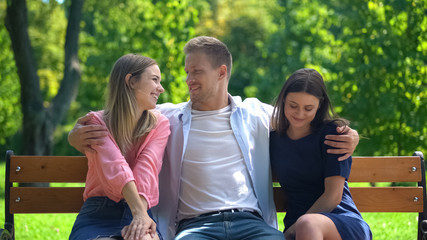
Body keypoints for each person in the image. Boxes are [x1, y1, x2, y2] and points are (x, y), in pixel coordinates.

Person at [68, 36, 360, 240]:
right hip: (195, 227)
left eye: (196, 72)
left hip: (250, 223)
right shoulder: (167, 117)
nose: (187, 79)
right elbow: (118, 112)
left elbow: (303, 117)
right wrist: (74, 135)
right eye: (186, 72)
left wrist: (352, 135)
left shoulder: (255, 113)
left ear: (221, 72)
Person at [69, 54, 170, 240]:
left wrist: (140, 215)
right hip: (97, 213)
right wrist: (140, 214)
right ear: (131, 81)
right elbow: (115, 166)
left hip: (139, 208)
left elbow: (146, 170)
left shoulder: (160, 124)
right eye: (155, 80)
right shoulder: (95, 122)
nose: (161, 88)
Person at [270, 68, 372, 240]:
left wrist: (292, 230)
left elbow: (333, 197)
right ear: (283, 100)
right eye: (293, 105)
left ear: (320, 105)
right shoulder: (274, 139)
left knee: (307, 224)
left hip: (341, 221)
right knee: (306, 224)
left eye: (308, 108)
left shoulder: (334, 136)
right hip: (301, 226)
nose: (300, 114)